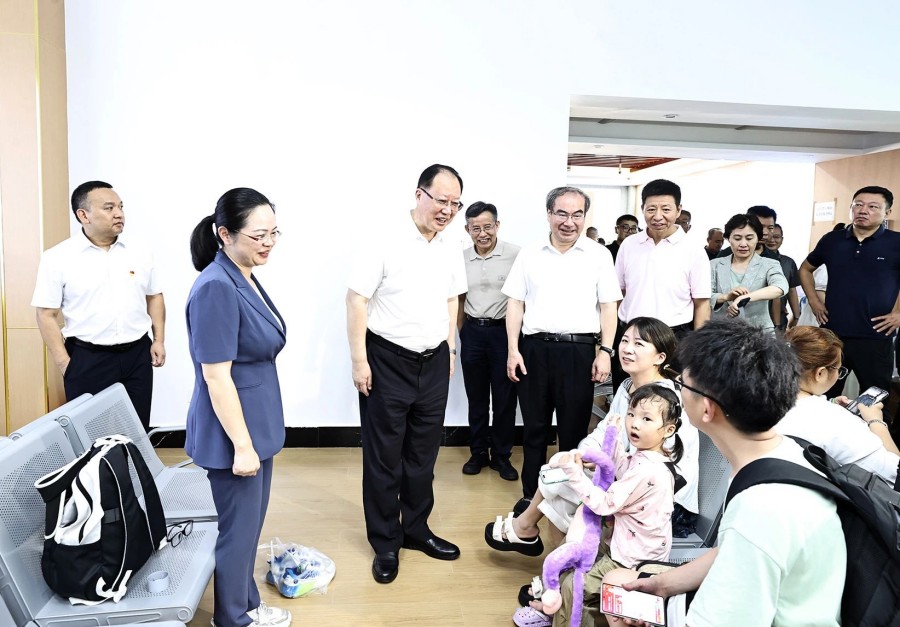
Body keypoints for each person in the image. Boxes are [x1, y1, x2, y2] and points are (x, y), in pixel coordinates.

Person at [602, 318, 846, 627]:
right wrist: (662, 585)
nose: (677, 390)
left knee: (618, 598)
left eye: (682, 385)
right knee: (620, 581)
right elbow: (728, 552)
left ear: (707, 409)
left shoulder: (760, 510)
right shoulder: (780, 452)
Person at [484, 317, 698, 558]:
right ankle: (559, 564)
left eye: (639, 344)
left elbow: (661, 466)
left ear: (660, 357)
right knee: (562, 473)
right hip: (629, 478)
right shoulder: (627, 387)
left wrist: (600, 464)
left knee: (563, 484)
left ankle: (529, 532)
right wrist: (581, 454)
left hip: (661, 497)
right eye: (625, 341)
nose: (627, 349)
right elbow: (603, 433)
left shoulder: (667, 400)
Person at [346, 164, 467, 584]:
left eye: (455, 203)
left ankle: (416, 529)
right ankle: (385, 542)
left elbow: (452, 300)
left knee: (422, 456)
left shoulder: (451, 245)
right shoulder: (384, 239)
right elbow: (356, 300)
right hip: (386, 360)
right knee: (384, 458)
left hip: (433, 360)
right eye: (441, 200)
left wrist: (450, 348)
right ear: (420, 194)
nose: (448, 210)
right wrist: (359, 360)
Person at [186, 188, 290, 627]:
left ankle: (245, 602)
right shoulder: (216, 286)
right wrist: (242, 447)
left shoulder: (242, 274)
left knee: (248, 529)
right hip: (234, 433)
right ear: (224, 234)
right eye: (258, 235)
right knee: (237, 532)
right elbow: (215, 376)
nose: (268, 243)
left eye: (274, 233)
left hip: (255, 422)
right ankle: (232, 618)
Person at [513, 385, 685, 627]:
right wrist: (611, 444)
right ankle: (553, 607)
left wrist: (574, 474)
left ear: (669, 429)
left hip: (632, 558)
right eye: (631, 414)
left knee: (574, 587)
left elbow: (603, 504)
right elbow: (622, 468)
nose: (635, 423)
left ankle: (560, 617)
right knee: (571, 551)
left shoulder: (649, 470)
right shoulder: (647, 457)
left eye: (646, 419)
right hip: (623, 543)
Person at [503, 186, 621, 511]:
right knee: (534, 429)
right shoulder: (529, 254)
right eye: (562, 214)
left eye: (577, 215)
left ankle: (569, 498)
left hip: (578, 352)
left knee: (573, 431)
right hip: (533, 350)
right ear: (549, 214)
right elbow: (515, 304)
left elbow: (608, 307)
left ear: (584, 217)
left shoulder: (598, 255)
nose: (569, 222)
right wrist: (513, 349)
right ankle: (531, 498)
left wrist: (605, 352)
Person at [32, 181, 166, 431]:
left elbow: (155, 296)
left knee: (136, 431)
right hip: (88, 358)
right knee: (92, 435)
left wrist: (158, 340)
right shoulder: (57, 257)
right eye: (109, 208)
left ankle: (134, 460)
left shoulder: (140, 250)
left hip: (137, 354)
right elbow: (45, 314)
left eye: (120, 207)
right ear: (83, 215)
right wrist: (65, 363)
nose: (119, 214)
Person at [799, 186, 900, 423]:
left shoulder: (896, 242)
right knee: (821, 398)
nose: (863, 210)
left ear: (887, 212)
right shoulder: (832, 240)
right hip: (833, 337)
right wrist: (813, 301)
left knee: (875, 402)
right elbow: (805, 269)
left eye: (873, 206)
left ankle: (877, 442)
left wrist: (899, 313)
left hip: (875, 337)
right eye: (858, 205)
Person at [612, 179, 711, 388]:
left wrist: (699, 349)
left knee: (669, 399)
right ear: (642, 209)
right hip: (631, 336)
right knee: (627, 395)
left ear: (678, 210)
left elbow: (701, 303)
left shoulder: (693, 249)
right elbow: (618, 293)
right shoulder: (629, 245)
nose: (658, 216)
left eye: (666, 209)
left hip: (673, 338)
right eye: (651, 209)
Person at [778, 326, 899, 484]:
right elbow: (894, 472)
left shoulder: (758, 401)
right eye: (838, 369)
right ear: (820, 373)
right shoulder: (836, 421)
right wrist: (875, 421)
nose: (839, 374)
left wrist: (831, 403)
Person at [458, 201, 521, 480]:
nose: (482, 234)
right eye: (475, 228)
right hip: (472, 332)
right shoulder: (461, 258)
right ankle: (478, 452)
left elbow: (522, 298)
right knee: (477, 397)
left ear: (497, 225)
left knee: (505, 398)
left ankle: (502, 456)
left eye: (487, 227)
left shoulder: (516, 255)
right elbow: (459, 299)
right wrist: (462, 332)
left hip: (503, 333)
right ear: (467, 229)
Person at [709, 213, 787, 332]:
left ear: (758, 238)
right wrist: (725, 297)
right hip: (720, 332)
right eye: (737, 238)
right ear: (728, 238)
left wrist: (745, 298)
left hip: (759, 333)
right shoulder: (714, 264)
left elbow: (780, 287)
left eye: (749, 238)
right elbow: (704, 296)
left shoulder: (769, 264)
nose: (743, 244)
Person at [765, 224, 801, 330]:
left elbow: (792, 290)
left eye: (776, 237)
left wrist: (796, 317)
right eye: (769, 237)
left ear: (782, 239)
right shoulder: (753, 261)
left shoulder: (788, 263)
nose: (772, 240)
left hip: (780, 318)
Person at [714, 205, 779, 260]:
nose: (765, 232)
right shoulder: (724, 255)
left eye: (770, 228)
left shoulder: (773, 258)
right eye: (761, 227)